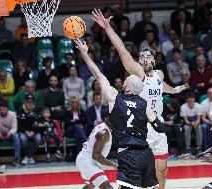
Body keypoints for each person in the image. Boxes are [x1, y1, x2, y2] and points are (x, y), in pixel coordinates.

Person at [91, 9, 186, 189]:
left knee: (162, 172)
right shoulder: (139, 73)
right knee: (132, 174)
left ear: (154, 59)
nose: (144, 59)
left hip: (157, 126)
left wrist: (173, 90)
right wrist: (108, 28)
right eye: (141, 57)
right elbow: (121, 50)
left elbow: (161, 86)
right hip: (141, 128)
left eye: (147, 56)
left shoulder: (158, 73)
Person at [75, 39, 165, 189]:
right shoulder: (145, 104)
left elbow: (98, 75)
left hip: (129, 154)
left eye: (126, 80)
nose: (124, 81)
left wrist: (84, 54)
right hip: (146, 153)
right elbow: (160, 128)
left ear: (128, 87)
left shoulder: (115, 98)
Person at [76, 114, 116, 189]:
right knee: (107, 187)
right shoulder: (104, 133)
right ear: (107, 118)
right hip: (88, 161)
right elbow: (96, 156)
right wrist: (114, 165)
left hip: (87, 158)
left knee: (91, 185)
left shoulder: (103, 126)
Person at [0, 101, 21, 166]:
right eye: (1, 109)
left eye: (5, 109)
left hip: (10, 134)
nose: (3, 111)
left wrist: (9, 133)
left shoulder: (13, 115)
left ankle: (17, 159)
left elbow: (15, 128)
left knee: (16, 136)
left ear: (8, 109)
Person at [17, 94, 41, 165]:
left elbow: (39, 123)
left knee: (38, 138)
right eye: (28, 102)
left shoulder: (37, 110)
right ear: (25, 102)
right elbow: (19, 124)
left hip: (34, 131)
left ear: (34, 102)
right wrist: (26, 132)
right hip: (23, 131)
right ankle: (28, 157)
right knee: (23, 138)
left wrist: (34, 132)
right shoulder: (20, 109)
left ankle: (28, 157)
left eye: (31, 102)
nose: (29, 103)